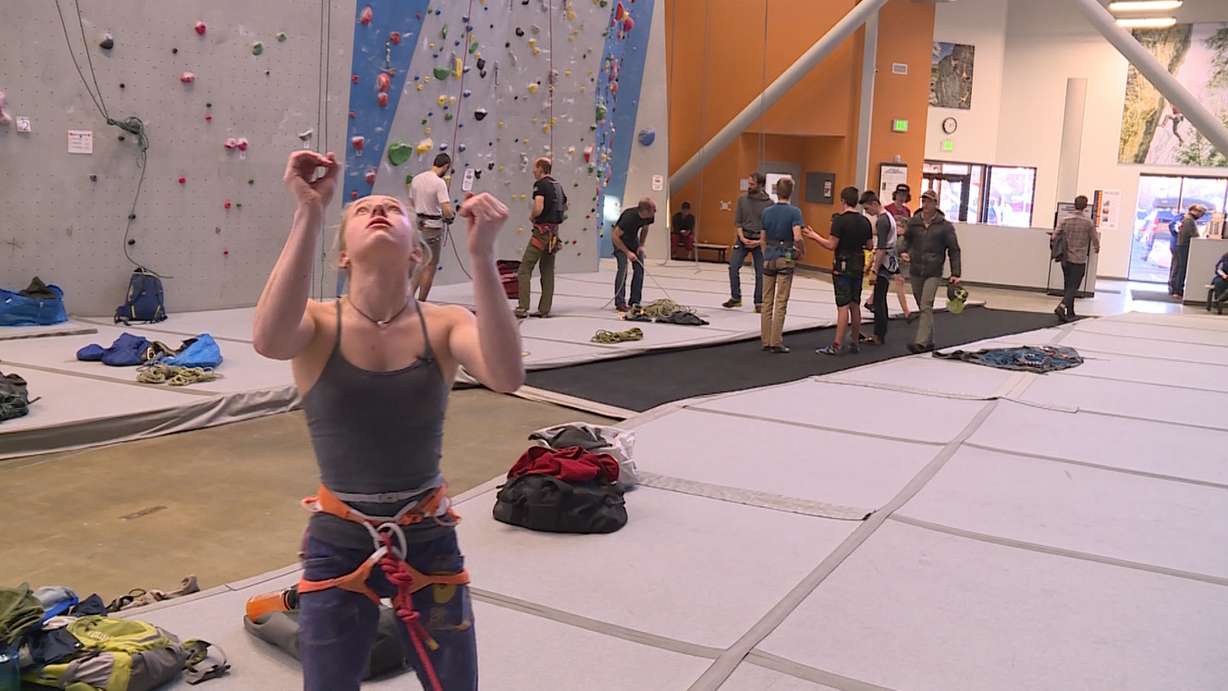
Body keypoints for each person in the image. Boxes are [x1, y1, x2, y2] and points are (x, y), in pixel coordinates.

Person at [253, 150, 524, 691]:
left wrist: (483, 256)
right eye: (362, 210)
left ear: (417, 252)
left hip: (428, 533)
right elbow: (268, 340)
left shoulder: (445, 323)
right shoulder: (317, 322)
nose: (378, 210)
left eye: (393, 209)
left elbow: (506, 375)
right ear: (343, 256)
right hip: (338, 535)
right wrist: (309, 211)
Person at [803, 187, 873, 355]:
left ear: (843, 201)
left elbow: (831, 245)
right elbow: (870, 246)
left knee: (843, 305)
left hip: (842, 264)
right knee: (855, 304)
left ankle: (837, 344)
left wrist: (814, 236)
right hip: (858, 263)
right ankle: (855, 342)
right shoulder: (865, 221)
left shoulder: (840, 221)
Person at [899, 189, 961, 353]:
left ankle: (920, 342)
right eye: (923, 201)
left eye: (928, 201)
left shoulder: (945, 227)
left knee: (926, 304)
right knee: (922, 305)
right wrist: (903, 251)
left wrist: (956, 273)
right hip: (916, 269)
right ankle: (929, 340)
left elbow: (954, 250)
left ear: (935, 204)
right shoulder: (914, 223)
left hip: (933, 271)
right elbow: (906, 240)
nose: (925, 204)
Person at [516, 157, 566, 318]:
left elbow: (538, 207)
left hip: (541, 233)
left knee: (524, 269)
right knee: (547, 270)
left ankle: (523, 307)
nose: (533, 171)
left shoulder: (540, 185)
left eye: (535, 168)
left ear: (540, 168)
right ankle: (544, 309)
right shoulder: (558, 185)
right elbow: (564, 206)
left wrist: (532, 217)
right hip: (554, 234)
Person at [759, 177, 804, 353]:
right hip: (785, 255)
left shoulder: (766, 212)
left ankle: (765, 339)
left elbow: (762, 238)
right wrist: (801, 250)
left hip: (769, 255)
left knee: (766, 300)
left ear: (776, 191)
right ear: (791, 191)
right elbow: (797, 237)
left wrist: (765, 253)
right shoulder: (795, 212)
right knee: (781, 300)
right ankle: (776, 340)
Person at [406, 153, 456, 301]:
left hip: (418, 227)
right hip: (433, 228)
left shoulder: (416, 179)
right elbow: (446, 208)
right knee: (430, 266)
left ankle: (408, 299)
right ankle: (422, 302)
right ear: (445, 166)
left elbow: (412, 202)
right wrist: (451, 216)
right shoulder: (439, 183)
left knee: (418, 264)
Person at [725, 172, 772, 311]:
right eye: (749, 183)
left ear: (761, 185)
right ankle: (735, 297)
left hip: (760, 240)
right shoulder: (742, 200)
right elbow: (738, 222)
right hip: (743, 237)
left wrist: (760, 242)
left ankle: (759, 302)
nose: (749, 186)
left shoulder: (769, 204)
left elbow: (769, 227)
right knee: (733, 267)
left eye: (752, 184)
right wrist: (742, 238)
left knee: (761, 272)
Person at [1052, 195, 1100, 323]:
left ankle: (1070, 312)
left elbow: (1054, 235)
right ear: (1085, 206)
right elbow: (1095, 239)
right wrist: (1097, 247)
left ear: (1074, 204)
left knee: (1068, 285)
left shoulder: (1065, 220)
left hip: (1066, 258)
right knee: (1074, 286)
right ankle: (1062, 306)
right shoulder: (1088, 222)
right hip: (1079, 259)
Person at [861, 191, 897, 345]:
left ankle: (879, 335)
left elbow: (881, 247)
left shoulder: (882, 221)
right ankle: (880, 333)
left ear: (875, 204)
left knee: (879, 300)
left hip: (884, 262)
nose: (867, 212)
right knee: (879, 298)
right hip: (888, 260)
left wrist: (874, 270)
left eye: (867, 209)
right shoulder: (888, 217)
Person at [612, 198, 656, 312]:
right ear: (645, 211)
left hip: (632, 240)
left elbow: (645, 228)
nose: (655, 212)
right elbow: (615, 236)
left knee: (639, 268)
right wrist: (627, 252)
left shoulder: (649, 217)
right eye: (653, 210)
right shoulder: (629, 217)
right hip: (620, 241)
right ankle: (620, 302)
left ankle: (635, 301)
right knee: (623, 269)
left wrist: (641, 245)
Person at [883, 184, 914, 321]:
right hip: (889, 247)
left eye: (904, 195)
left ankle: (870, 301)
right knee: (898, 279)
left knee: (885, 277)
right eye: (900, 194)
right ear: (895, 195)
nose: (901, 197)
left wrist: (906, 250)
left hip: (900, 247)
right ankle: (906, 311)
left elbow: (909, 231)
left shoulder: (907, 211)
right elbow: (883, 227)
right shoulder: (888, 209)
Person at [1169, 204, 1207, 298]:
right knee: (1182, 268)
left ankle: (1175, 289)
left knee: (1178, 267)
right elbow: (1193, 234)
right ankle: (1178, 290)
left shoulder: (1186, 218)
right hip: (1184, 246)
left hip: (1180, 245)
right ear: (1196, 211)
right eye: (1201, 213)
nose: (1201, 216)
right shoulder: (1189, 220)